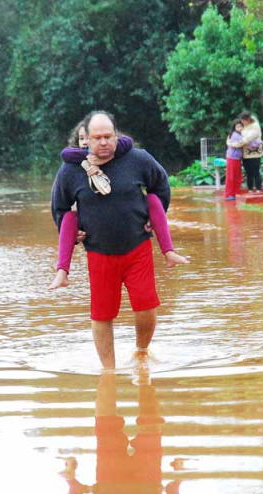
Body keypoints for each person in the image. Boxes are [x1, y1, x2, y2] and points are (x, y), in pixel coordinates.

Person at [50, 111, 174, 368]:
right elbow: (60, 208)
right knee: (102, 314)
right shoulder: (71, 170)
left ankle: (141, 352)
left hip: (137, 246)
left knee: (146, 306)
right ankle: (109, 372)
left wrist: (157, 214)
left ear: (117, 136)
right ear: (86, 140)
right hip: (98, 252)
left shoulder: (138, 159)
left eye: (108, 136)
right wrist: (72, 235)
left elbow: (160, 185)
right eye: (97, 137)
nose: (103, 142)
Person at [48, 122, 188, 291]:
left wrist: (107, 156)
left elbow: (127, 144)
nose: (85, 142)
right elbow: (59, 201)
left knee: (152, 199)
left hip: (136, 240)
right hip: (97, 245)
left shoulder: (132, 155)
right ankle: (62, 272)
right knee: (68, 217)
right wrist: (74, 235)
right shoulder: (72, 164)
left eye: (105, 137)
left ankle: (169, 252)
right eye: (82, 138)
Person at [61, 371, 186, 494]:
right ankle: (110, 372)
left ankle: (140, 374)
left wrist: (177, 482)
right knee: (107, 424)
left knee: (149, 426)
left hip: (144, 488)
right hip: (113, 484)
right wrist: (72, 481)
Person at [235, 111, 263, 194]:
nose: (242, 122)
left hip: (254, 153)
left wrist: (237, 144)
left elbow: (248, 138)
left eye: (244, 120)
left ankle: (258, 189)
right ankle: (250, 189)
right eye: (242, 120)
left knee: (255, 171)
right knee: (248, 172)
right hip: (245, 153)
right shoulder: (244, 125)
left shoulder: (255, 126)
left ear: (248, 119)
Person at [223, 119, 244, 201]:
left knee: (237, 176)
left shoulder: (238, 134)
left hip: (236, 158)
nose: (240, 128)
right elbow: (240, 144)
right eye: (238, 126)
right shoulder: (236, 135)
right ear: (234, 127)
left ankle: (235, 193)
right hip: (232, 158)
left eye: (241, 126)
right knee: (231, 176)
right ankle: (229, 195)